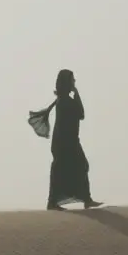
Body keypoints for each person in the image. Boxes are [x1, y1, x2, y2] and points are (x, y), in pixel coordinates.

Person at [47, 69, 103, 210]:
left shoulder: (64, 100)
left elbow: (79, 114)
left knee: (75, 168)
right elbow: (81, 114)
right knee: (68, 169)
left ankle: (84, 199)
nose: (74, 82)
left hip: (68, 142)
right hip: (65, 143)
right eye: (72, 80)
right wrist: (77, 93)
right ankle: (55, 202)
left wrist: (76, 94)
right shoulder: (64, 101)